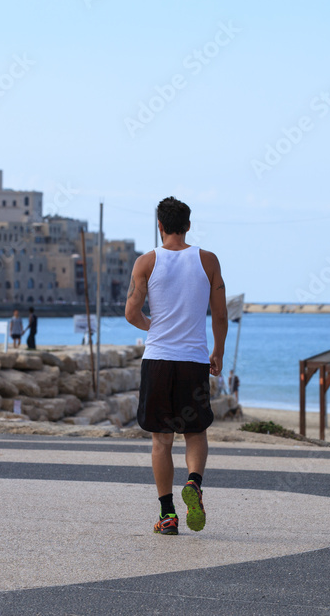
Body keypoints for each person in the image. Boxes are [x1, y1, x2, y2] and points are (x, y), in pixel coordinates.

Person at [125, 196, 228, 536]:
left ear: (160, 225)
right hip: (193, 361)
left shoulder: (146, 262)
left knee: (161, 441)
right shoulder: (208, 260)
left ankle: (167, 515)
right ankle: (194, 483)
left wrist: (152, 327)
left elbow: (131, 312)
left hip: (157, 360)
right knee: (195, 432)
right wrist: (218, 351)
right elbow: (220, 314)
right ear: (188, 225)